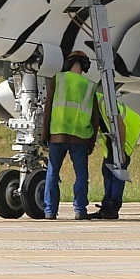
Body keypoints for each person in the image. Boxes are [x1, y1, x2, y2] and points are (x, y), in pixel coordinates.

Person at [41, 51, 100, 220]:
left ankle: (50, 211)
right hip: (80, 138)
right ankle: (80, 210)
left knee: (52, 173)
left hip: (57, 136)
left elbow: (48, 110)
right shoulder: (89, 86)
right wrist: (91, 142)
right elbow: (95, 118)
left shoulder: (57, 80)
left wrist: (45, 135)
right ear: (85, 65)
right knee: (81, 175)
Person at [93, 98, 140, 220]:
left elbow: (120, 126)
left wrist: (121, 151)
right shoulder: (97, 103)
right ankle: (106, 206)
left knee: (118, 172)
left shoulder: (104, 103)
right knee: (108, 171)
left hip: (124, 136)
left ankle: (113, 207)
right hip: (113, 138)